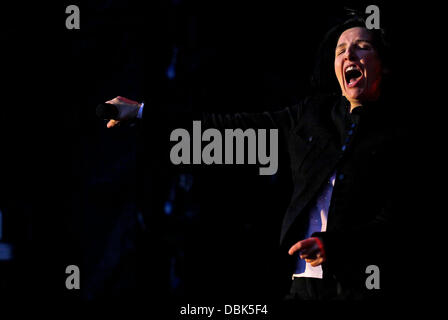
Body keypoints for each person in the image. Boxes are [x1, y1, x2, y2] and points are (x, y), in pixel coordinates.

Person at [101, 16, 408, 300]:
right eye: (341, 50)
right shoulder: (312, 116)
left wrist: (335, 247)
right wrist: (143, 112)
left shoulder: (396, 134)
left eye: (362, 47)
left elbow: (395, 222)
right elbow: (228, 128)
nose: (348, 55)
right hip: (304, 285)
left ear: (385, 66)